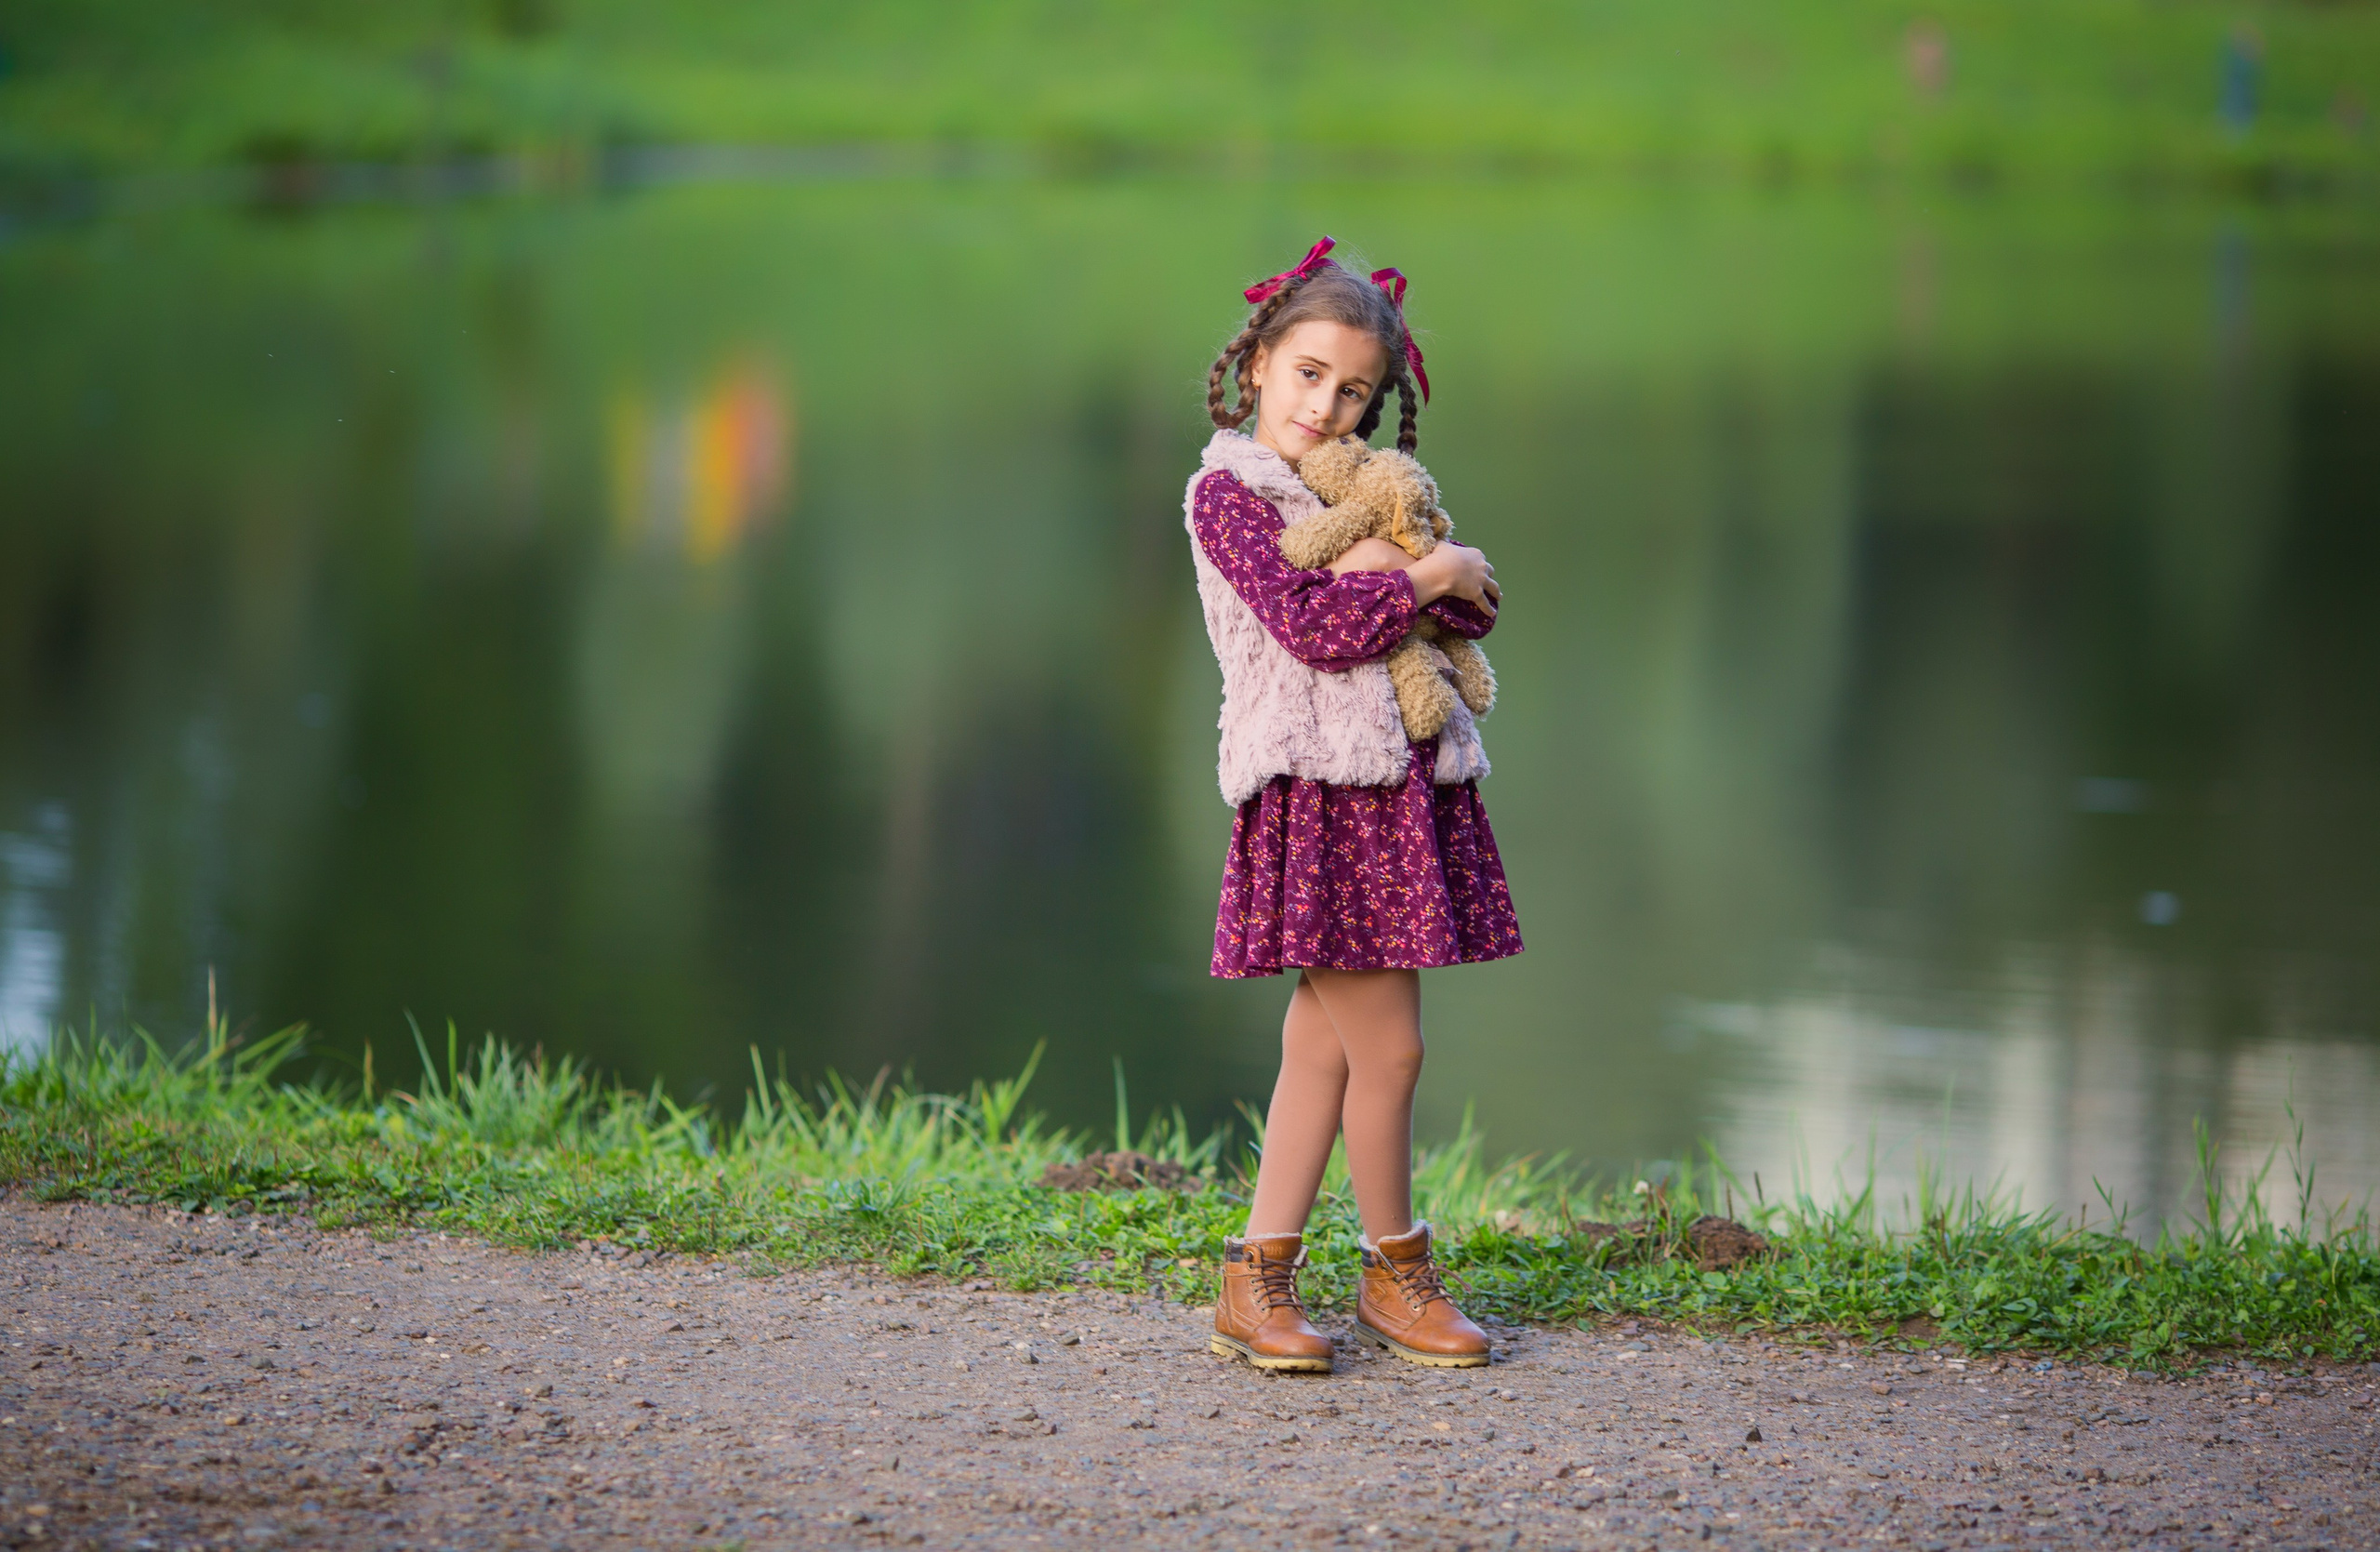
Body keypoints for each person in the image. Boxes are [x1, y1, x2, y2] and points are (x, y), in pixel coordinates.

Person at [1184, 237, 1522, 1373]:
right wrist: (1418, 575)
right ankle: (1396, 1273)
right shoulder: (1227, 495)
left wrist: (1430, 565)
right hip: (1319, 798)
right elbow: (1316, 626)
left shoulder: (1357, 492)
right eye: (1309, 375)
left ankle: (1257, 1280)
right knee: (1392, 1054)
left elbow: (1466, 609)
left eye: (1356, 391)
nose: (1328, 409)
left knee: (1325, 1056)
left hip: (1396, 795)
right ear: (1261, 363)